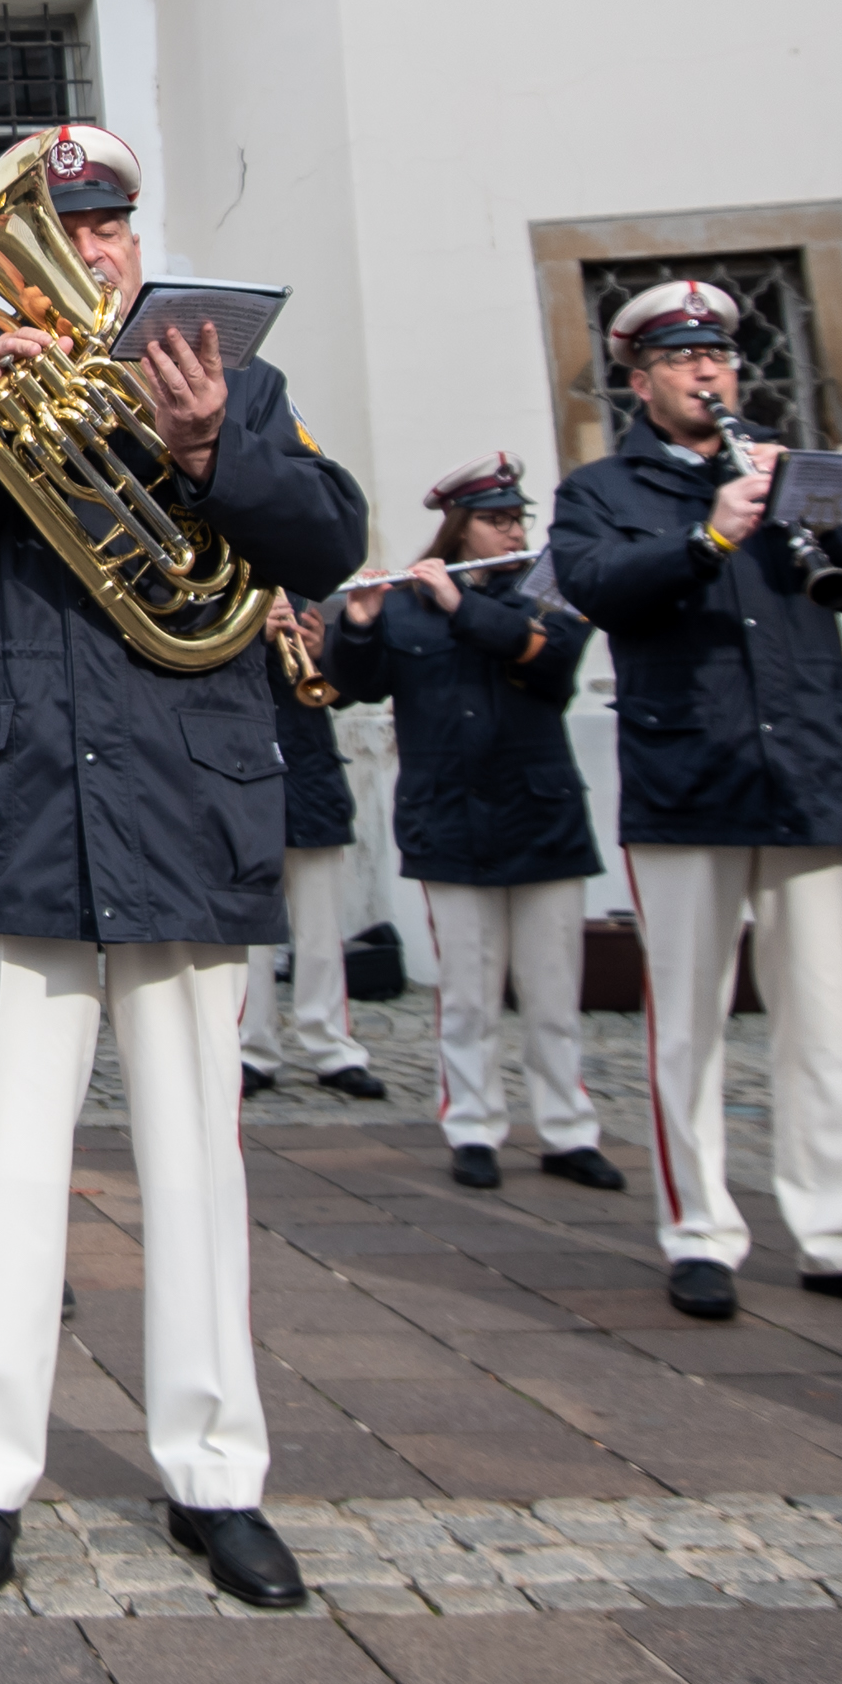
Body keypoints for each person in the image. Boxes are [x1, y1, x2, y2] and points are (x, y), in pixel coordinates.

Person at [0, 119, 364, 1608]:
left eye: (101, 228)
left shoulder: (236, 381)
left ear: (135, 241)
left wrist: (209, 446)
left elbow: (327, 541)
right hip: (23, 803)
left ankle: (216, 1475)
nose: (83, 252)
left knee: (197, 1165)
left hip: (186, 804)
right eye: (60, 228)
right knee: (4, 1165)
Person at [549, 306, 842, 1327]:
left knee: (820, 1020)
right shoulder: (600, 489)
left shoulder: (795, 469)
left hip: (809, 766)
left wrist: (828, 513)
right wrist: (707, 536)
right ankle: (698, 1230)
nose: (706, 373)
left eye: (718, 356)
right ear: (639, 380)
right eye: (681, 359)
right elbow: (597, 587)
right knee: (688, 1020)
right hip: (686, 771)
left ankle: (839, 1234)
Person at [337, 464, 613, 1197]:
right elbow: (354, 686)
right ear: (460, 530)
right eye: (497, 520)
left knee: (553, 991)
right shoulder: (406, 605)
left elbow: (554, 669)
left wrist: (461, 605)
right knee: (467, 993)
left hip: (541, 814)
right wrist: (359, 620)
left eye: (518, 518)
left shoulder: (549, 592)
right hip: (449, 817)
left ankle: (567, 1130)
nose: (513, 531)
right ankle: (473, 1127)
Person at [234, 588, 385, 1105]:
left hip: (311, 776)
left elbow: (348, 691)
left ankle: (333, 1048)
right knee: (251, 933)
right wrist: (253, 638)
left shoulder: (309, 593)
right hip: (244, 774)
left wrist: (325, 654)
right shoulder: (221, 593)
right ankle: (252, 1047)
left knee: (321, 933)